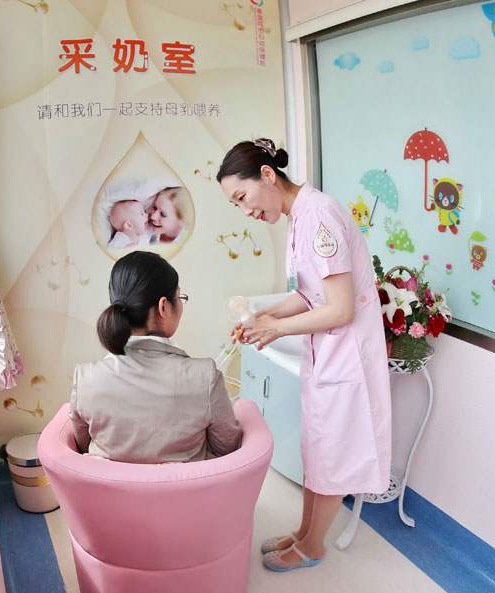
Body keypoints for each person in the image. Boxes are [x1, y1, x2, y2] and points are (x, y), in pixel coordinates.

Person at [217, 138, 391, 572]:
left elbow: (340, 308)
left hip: (346, 357)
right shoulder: (299, 218)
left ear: (267, 175)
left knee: (331, 454)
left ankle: (313, 545)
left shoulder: (319, 215)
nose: (246, 212)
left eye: (243, 197)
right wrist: (264, 315)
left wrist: (276, 328)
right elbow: (309, 295)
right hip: (328, 354)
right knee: (317, 448)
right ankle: (304, 531)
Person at [69, 250, 242, 463]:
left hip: (109, 496)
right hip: (186, 495)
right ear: (163, 307)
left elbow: (83, 447)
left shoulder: (85, 378)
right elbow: (227, 448)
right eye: (179, 298)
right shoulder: (205, 377)